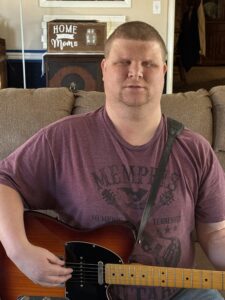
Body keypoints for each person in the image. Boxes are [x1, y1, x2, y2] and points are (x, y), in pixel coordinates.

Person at [0, 21, 225, 300]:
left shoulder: (196, 150)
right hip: (82, 294)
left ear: (164, 72)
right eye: (124, 62)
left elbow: (215, 234)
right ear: (104, 70)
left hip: (177, 293)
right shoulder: (65, 137)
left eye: (149, 64)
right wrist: (19, 251)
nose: (136, 72)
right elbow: (4, 181)